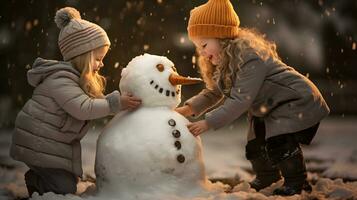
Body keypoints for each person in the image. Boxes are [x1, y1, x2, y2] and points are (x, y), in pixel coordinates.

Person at [176, 0, 330, 196]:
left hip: (295, 100)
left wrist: (208, 123)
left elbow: (241, 100)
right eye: (199, 48)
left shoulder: (249, 57)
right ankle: (268, 176)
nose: (203, 52)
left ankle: (296, 181)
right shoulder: (225, 64)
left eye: (204, 45)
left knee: (279, 140)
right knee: (255, 142)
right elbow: (214, 92)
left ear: (222, 37)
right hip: (270, 106)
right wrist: (187, 109)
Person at [9, 7, 141, 196]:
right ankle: (37, 178)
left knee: (69, 182)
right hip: (40, 143)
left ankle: (43, 177)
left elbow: (90, 103)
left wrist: (116, 102)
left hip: (51, 143)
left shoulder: (73, 80)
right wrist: (115, 103)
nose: (101, 64)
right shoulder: (60, 80)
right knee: (64, 190)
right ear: (83, 56)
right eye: (98, 59)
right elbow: (83, 108)